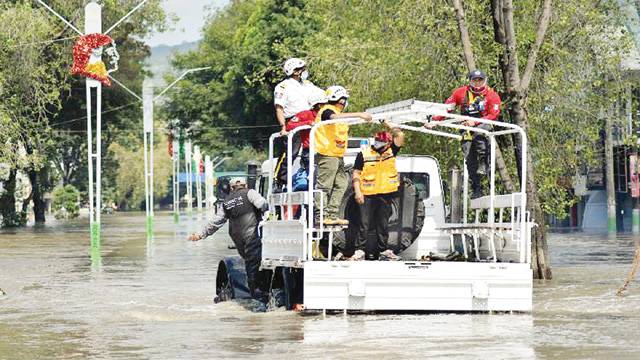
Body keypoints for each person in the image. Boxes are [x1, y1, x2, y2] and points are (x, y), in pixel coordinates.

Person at [187, 177, 269, 299]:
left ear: (231, 188)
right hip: (252, 235)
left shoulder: (226, 202)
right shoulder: (250, 192)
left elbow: (216, 222)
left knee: (249, 264)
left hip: (238, 238)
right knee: (254, 266)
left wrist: (200, 235)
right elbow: (262, 204)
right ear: (245, 185)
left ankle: (255, 291)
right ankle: (258, 293)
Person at [428, 70, 501, 199]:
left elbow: (493, 114)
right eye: (475, 80)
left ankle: (484, 163)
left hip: (483, 126)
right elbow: (447, 108)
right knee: (469, 158)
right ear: (470, 81)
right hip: (466, 128)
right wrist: (434, 121)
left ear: (485, 80)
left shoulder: (492, 95)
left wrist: (476, 122)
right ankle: (477, 188)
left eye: (480, 80)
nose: (477, 83)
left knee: (480, 134)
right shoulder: (460, 92)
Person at [314, 85, 373, 226]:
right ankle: (321, 216)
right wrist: (359, 114)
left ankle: (332, 215)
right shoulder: (327, 110)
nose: (344, 103)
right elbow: (333, 117)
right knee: (325, 187)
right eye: (343, 99)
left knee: (342, 184)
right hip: (327, 155)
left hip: (338, 156)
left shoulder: (338, 114)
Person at [351, 126, 405, 261]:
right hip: (367, 194)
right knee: (364, 223)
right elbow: (356, 173)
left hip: (385, 195)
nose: (378, 143)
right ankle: (359, 250)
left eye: (382, 141)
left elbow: (400, 134)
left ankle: (383, 250)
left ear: (388, 143)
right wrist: (358, 192)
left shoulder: (392, 151)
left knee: (383, 224)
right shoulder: (364, 154)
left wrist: (387, 124)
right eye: (376, 140)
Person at [273, 58, 322, 189]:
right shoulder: (283, 87)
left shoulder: (307, 84)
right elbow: (279, 108)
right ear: (293, 71)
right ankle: (280, 180)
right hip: (293, 122)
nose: (303, 72)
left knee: (310, 150)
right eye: (300, 69)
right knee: (290, 153)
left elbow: (322, 95)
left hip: (309, 120)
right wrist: (283, 127)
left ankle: (312, 178)